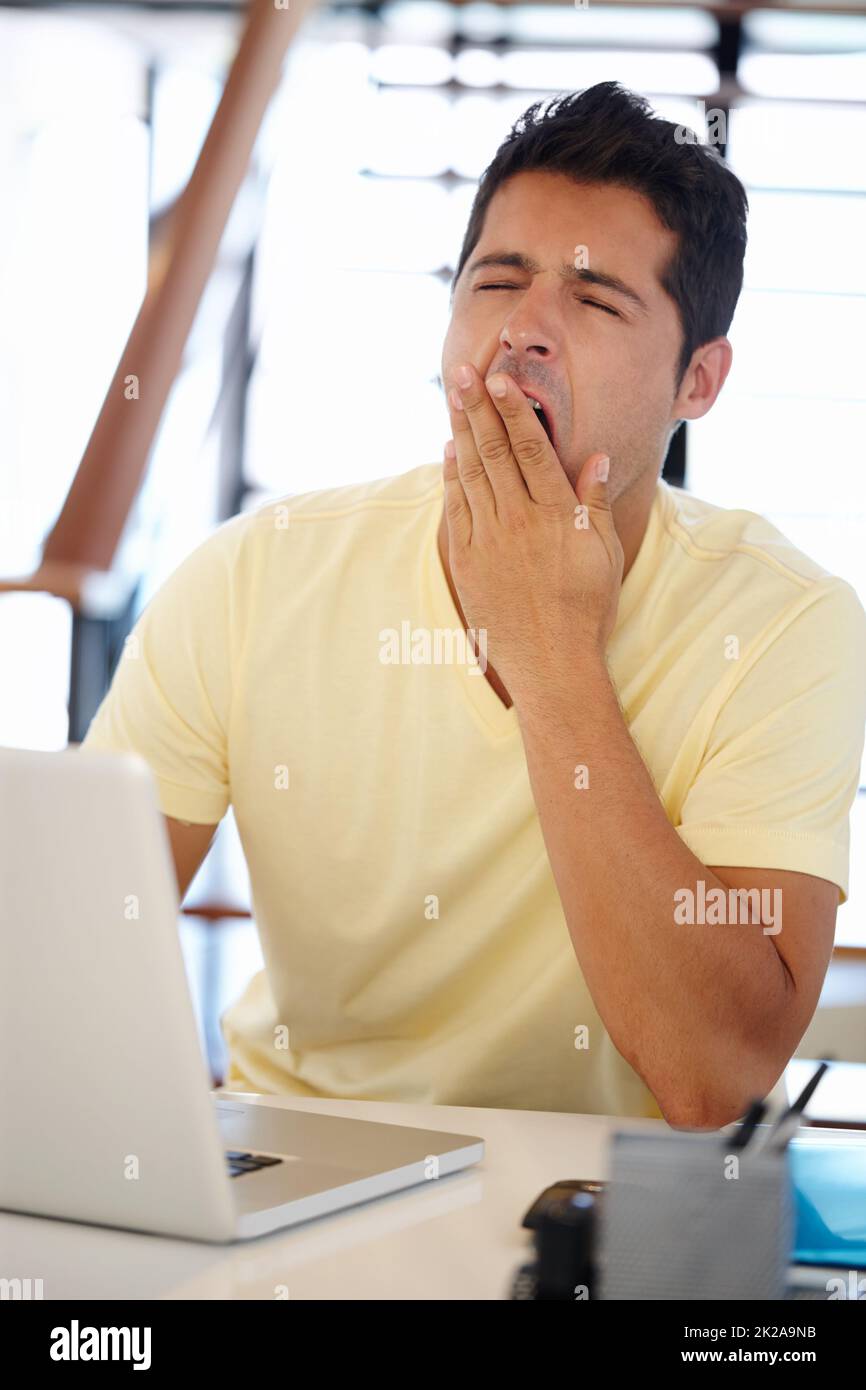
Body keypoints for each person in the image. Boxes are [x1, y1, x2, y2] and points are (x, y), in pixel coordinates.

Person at [81, 82, 866, 1127]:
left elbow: (710, 1073)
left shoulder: (784, 624)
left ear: (698, 383)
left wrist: (549, 650)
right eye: (495, 282)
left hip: (588, 1217)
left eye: (594, 301)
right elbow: (68, 948)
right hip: (293, 1164)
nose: (525, 330)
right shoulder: (249, 577)